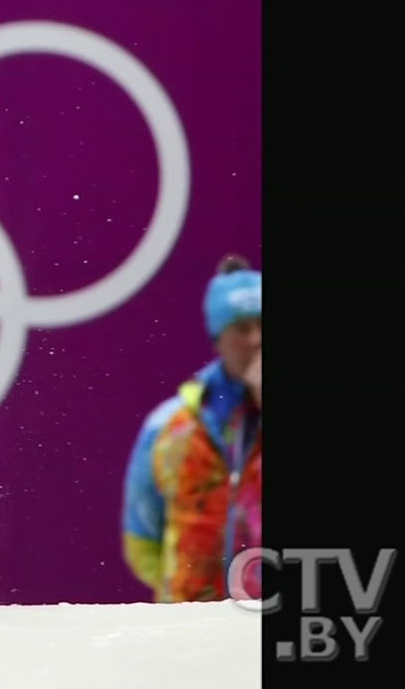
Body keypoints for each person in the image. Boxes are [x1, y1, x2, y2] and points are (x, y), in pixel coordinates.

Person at [120, 254, 262, 603]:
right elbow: (142, 540)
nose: (257, 339)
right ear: (218, 337)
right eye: (242, 328)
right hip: (189, 630)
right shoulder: (171, 426)